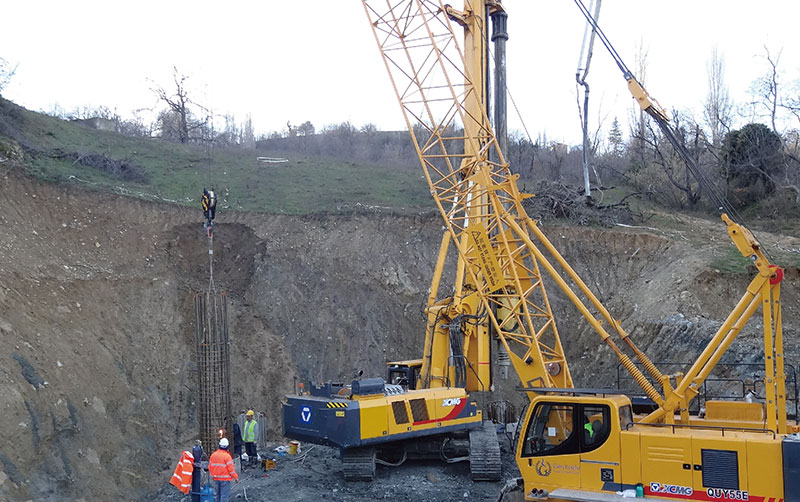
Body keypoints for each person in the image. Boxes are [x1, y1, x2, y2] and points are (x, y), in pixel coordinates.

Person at [209, 437, 238, 502]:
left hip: (216, 479)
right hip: (225, 480)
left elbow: (210, 466)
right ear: (227, 447)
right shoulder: (227, 456)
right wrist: (235, 477)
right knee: (224, 496)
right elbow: (231, 469)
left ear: (219, 445)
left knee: (217, 496)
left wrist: (213, 475)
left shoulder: (213, 455)